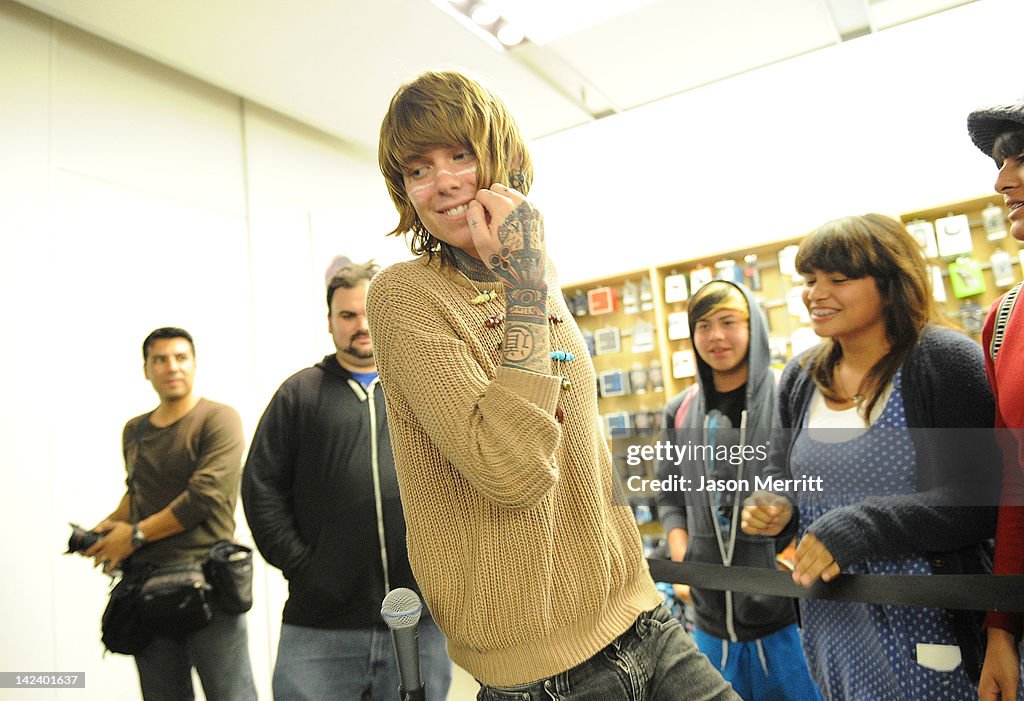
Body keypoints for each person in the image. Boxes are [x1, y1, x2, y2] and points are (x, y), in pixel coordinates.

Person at [367, 70, 739, 699]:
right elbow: (512, 470)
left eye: (461, 154)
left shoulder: (531, 271)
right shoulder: (405, 295)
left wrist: (528, 279)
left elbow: (572, 428)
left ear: (501, 157)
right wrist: (526, 291)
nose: (446, 181)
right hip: (544, 665)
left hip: (642, 615)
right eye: (418, 169)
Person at [740, 214, 1001, 700]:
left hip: (929, 619)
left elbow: (985, 501)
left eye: (838, 279)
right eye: (809, 280)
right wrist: (775, 505)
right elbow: (783, 473)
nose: (816, 293)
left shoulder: (942, 361)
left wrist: (862, 526)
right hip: (832, 621)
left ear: (891, 283)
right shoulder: (800, 376)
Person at [241, 258, 451, 700]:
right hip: (320, 625)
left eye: (369, 313)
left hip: (420, 618)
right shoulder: (299, 395)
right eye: (348, 315)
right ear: (331, 321)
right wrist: (306, 567)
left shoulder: (422, 387)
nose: (361, 325)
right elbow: (261, 488)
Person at [656, 280, 821, 701]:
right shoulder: (681, 409)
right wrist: (682, 560)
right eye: (703, 325)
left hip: (787, 616)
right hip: (709, 622)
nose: (716, 336)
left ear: (754, 326)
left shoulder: (791, 393)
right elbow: (670, 494)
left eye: (729, 322)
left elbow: (818, 488)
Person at [84, 327, 256, 700]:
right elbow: (138, 491)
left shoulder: (219, 419)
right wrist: (110, 528)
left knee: (232, 695)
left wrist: (132, 537)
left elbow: (203, 498)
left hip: (210, 584)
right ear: (146, 369)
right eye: (159, 359)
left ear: (194, 364)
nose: (171, 367)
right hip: (149, 587)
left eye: (180, 357)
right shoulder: (135, 430)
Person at [967, 99, 1024, 701]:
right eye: (1001, 163)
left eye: (1020, 161)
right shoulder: (1003, 321)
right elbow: (1016, 487)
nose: (1001, 181)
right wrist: (1002, 630)